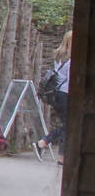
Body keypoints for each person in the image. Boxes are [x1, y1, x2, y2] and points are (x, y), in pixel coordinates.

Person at [36, 30, 73, 162]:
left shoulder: (59, 55)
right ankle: (45, 142)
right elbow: (71, 79)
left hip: (56, 94)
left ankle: (59, 155)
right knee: (69, 125)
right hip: (65, 94)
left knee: (67, 124)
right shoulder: (72, 58)